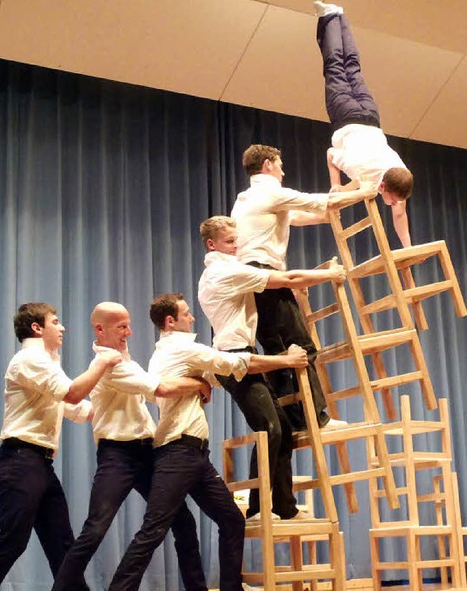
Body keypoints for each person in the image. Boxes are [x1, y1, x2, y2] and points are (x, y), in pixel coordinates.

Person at [109, 293, 309, 591]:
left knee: (231, 521)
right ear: (170, 321)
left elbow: (215, 372)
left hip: (195, 454)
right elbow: (233, 362)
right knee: (154, 529)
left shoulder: (171, 353)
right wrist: (287, 360)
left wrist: (204, 381)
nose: (192, 318)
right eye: (186, 314)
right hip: (177, 452)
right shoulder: (180, 348)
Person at [0, 302, 122, 591]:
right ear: (37, 328)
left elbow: (78, 410)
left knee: (61, 544)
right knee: (12, 541)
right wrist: (102, 362)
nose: (62, 327)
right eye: (55, 321)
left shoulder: (47, 363)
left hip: (38, 465)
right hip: (21, 460)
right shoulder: (30, 360)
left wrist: (121, 403)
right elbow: (72, 395)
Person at [52, 302, 211, 591]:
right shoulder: (108, 364)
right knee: (96, 528)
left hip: (146, 453)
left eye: (128, 324)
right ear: (100, 329)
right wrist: (198, 383)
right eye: (121, 326)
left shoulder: (126, 361)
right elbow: (161, 388)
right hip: (118, 456)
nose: (130, 331)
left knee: (183, 522)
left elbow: (151, 393)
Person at [198, 215, 346, 521]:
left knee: (282, 429)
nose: (237, 245)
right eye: (229, 241)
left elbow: (273, 291)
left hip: (242, 353)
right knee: (269, 428)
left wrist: (297, 291)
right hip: (235, 358)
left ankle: (284, 507)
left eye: (237, 240)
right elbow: (285, 279)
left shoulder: (226, 270)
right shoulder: (225, 271)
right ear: (212, 245)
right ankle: (257, 508)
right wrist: (327, 274)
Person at [231, 143, 341, 431]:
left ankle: (294, 419)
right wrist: (363, 192)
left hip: (252, 278)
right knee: (301, 345)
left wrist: (330, 210)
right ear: (267, 164)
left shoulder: (248, 198)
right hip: (263, 274)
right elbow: (311, 202)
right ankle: (316, 418)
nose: (283, 170)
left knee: (278, 350)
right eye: (279, 164)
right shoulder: (269, 191)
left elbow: (303, 215)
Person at [314, 1, 413, 247]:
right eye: (389, 199)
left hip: (371, 116)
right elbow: (330, 154)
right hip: (345, 116)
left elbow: (397, 209)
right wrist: (335, 184)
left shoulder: (398, 170)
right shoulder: (361, 170)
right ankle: (329, 16)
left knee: (353, 67)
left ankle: (340, 16)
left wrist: (409, 247)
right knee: (335, 65)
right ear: (383, 187)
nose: (390, 203)